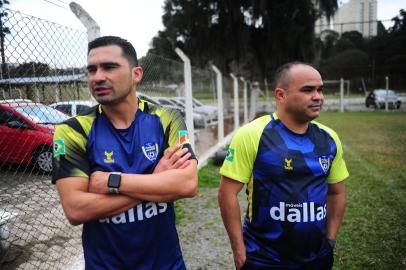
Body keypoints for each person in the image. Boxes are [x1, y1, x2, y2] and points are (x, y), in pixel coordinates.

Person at [52, 36, 198, 269]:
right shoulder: (73, 130)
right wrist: (155, 181)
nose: (98, 77)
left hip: (166, 264)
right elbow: (76, 209)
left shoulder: (167, 118)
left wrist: (112, 182)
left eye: (109, 67)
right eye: (91, 70)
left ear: (136, 74)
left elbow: (188, 184)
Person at [218, 62, 349, 270]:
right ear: (281, 95)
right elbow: (227, 194)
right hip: (264, 257)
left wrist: (330, 240)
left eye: (320, 89)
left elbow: (337, 193)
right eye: (308, 90)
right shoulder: (252, 134)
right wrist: (239, 249)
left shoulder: (329, 138)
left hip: (317, 257)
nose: (318, 96)